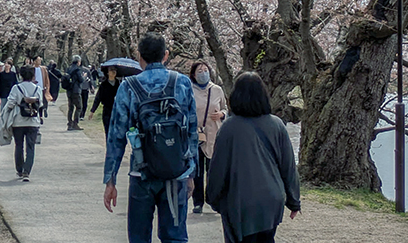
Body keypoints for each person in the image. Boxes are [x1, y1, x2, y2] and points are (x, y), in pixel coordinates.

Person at [103, 33, 199, 243]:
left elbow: (116, 136)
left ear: (140, 57)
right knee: (175, 237)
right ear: (165, 55)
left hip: (141, 172)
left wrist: (110, 180)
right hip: (176, 173)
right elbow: (192, 130)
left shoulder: (128, 87)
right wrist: (192, 172)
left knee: (139, 237)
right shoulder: (182, 82)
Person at [205, 72, 300, 243]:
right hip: (271, 200)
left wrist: (212, 198)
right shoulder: (277, 125)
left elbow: (218, 168)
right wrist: (294, 201)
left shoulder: (229, 128)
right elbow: (289, 167)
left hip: (239, 201)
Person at [189, 61, 227, 215]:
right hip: (196, 135)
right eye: (200, 71)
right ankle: (197, 202)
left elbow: (225, 108)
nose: (203, 73)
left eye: (205, 70)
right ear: (193, 74)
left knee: (213, 170)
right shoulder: (189, 90)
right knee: (197, 171)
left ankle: (212, 199)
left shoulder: (217, 90)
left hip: (214, 134)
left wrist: (222, 114)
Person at [2, 65, 44, 182]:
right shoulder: (37, 88)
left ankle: (19, 170)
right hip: (33, 122)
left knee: (18, 145)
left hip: (18, 121)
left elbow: (10, 103)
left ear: (20, 75)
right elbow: (40, 104)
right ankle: (27, 171)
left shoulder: (16, 88)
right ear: (33, 76)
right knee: (31, 147)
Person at [90, 66, 122, 136]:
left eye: (115, 70)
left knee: (117, 132)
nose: (113, 72)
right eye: (111, 70)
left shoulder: (119, 84)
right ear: (107, 72)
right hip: (107, 110)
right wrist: (92, 111)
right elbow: (98, 98)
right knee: (108, 131)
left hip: (117, 110)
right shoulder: (104, 85)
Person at [66, 55, 86, 130]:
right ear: (78, 62)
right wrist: (84, 76)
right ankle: (75, 123)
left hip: (69, 91)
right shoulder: (77, 70)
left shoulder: (68, 69)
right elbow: (81, 80)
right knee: (79, 107)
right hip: (76, 91)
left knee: (70, 107)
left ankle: (69, 124)